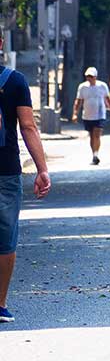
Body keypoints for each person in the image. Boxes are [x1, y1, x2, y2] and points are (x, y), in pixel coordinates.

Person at [0, 57, 51, 323]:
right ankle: (0, 303)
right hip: (6, 169)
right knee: (6, 238)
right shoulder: (16, 81)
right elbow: (28, 126)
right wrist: (42, 169)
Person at [72, 67, 110, 165]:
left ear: (95, 77)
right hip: (87, 115)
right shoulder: (82, 87)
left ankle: (96, 155)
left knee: (97, 134)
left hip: (100, 114)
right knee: (92, 136)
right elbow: (78, 101)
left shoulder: (102, 86)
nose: (89, 78)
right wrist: (75, 113)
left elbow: (108, 100)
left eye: (91, 76)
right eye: (88, 76)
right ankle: (94, 154)